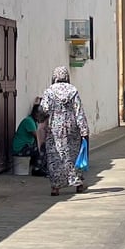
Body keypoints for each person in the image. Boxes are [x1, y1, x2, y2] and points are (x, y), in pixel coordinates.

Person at [39, 66, 90, 196]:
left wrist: (41, 120)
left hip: (54, 128)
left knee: (55, 156)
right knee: (73, 155)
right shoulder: (73, 90)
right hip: (72, 128)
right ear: (66, 76)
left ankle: (55, 187)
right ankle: (78, 184)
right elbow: (78, 111)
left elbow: (43, 110)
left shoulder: (49, 91)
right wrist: (84, 130)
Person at [12, 105, 42, 173]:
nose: (39, 115)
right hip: (20, 149)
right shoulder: (29, 121)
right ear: (35, 113)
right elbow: (37, 136)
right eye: (39, 113)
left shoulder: (34, 122)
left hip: (25, 146)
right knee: (42, 149)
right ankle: (36, 169)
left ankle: (37, 167)